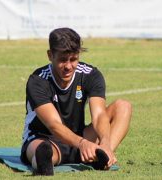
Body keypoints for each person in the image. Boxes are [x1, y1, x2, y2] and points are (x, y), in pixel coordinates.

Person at [20, 27, 132, 176]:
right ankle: (42, 163)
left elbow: (99, 116)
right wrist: (82, 143)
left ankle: (102, 157)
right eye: (62, 60)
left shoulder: (91, 74)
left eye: (73, 59)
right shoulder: (38, 80)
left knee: (123, 106)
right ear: (50, 55)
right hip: (45, 138)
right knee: (42, 151)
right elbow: (54, 125)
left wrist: (105, 142)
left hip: (80, 137)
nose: (68, 66)